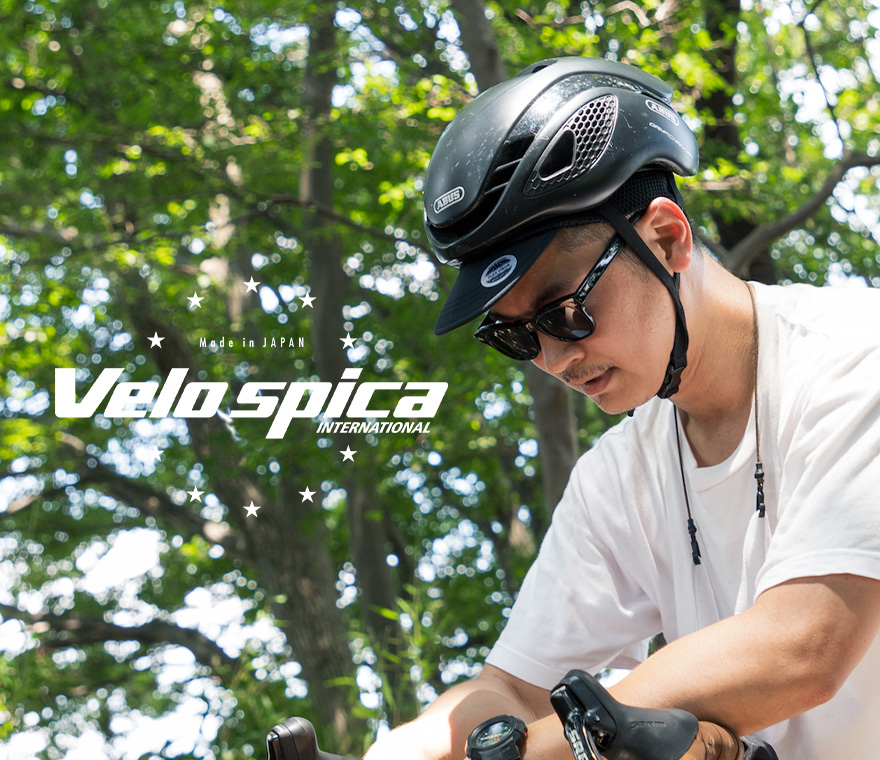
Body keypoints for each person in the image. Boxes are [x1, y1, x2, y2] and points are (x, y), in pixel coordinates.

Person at [366, 57, 880, 760]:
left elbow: (804, 647)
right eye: (516, 336)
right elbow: (511, 690)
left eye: (564, 311)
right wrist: (399, 751)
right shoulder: (618, 476)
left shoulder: (857, 355)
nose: (554, 360)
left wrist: (542, 746)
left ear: (666, 237)